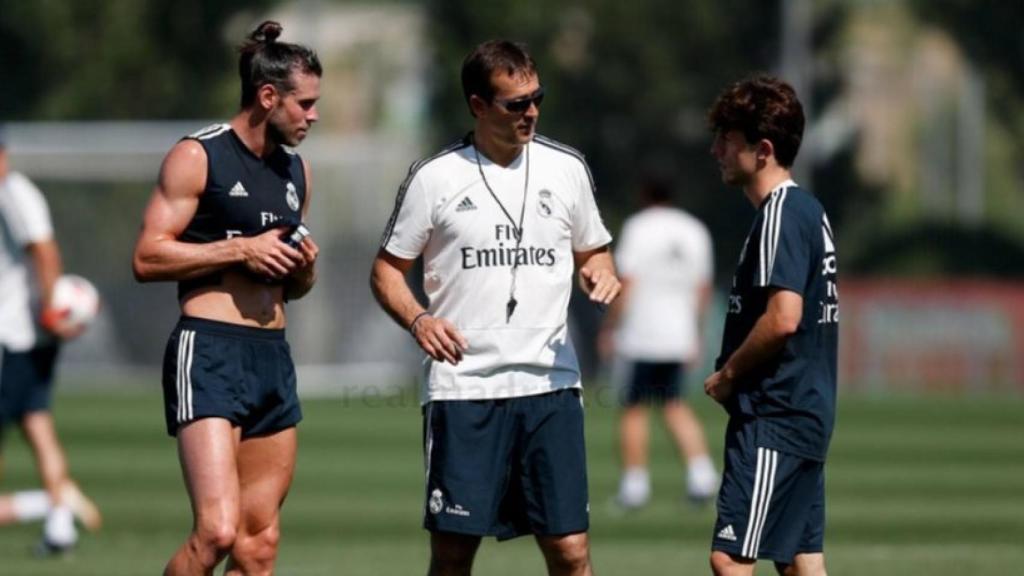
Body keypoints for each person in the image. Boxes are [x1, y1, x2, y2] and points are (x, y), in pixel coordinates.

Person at [370, 40, 620, 576]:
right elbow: (386, 271)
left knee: (571, 551)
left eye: (537, 98)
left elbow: (594, 249)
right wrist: (419, 320)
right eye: (515, 103)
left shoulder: (566, 167)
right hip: (465, 390)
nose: (531, 111)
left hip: (550, 385)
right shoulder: (434, 177)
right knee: (455, 551)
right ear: (479, 106)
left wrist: (601, 269)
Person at [131, 21, 321, 576]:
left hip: (272, 357)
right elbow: (147, 258)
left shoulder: (295, 171)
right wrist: (237, 251)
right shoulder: (198, 155)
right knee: (215, 533)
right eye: (305, 104)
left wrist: (303, 271)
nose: (313, 116)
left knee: (257, 545)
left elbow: (289, 282)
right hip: (209, 352)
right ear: (268, 96)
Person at [703, 75, 839, 576]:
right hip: (803, 409)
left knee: (730, 558)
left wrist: (729, 375)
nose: (715, 149)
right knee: (800, 560)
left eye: (726, 139)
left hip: (776, 414)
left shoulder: (782, 212)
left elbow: (784, 319)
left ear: (762, 150)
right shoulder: (806, 210)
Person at [0, 125, 103, 554]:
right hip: (27, 335)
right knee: (36, 421)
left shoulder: (15, 192)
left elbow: (45, 251)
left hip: (16, 337)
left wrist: (47, 309)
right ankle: (60, 521)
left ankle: (48, 504)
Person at [599, 175, 718, 510]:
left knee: (634, 409)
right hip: (679, 334)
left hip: (642, 334)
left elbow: (629, 281)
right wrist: (697, 334)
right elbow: (703, 290)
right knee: (674, 403)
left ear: (644, 195)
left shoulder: (639, 227)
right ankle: (702, 474)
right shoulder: (695, 230)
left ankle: (634, 486)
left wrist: (610, 326)